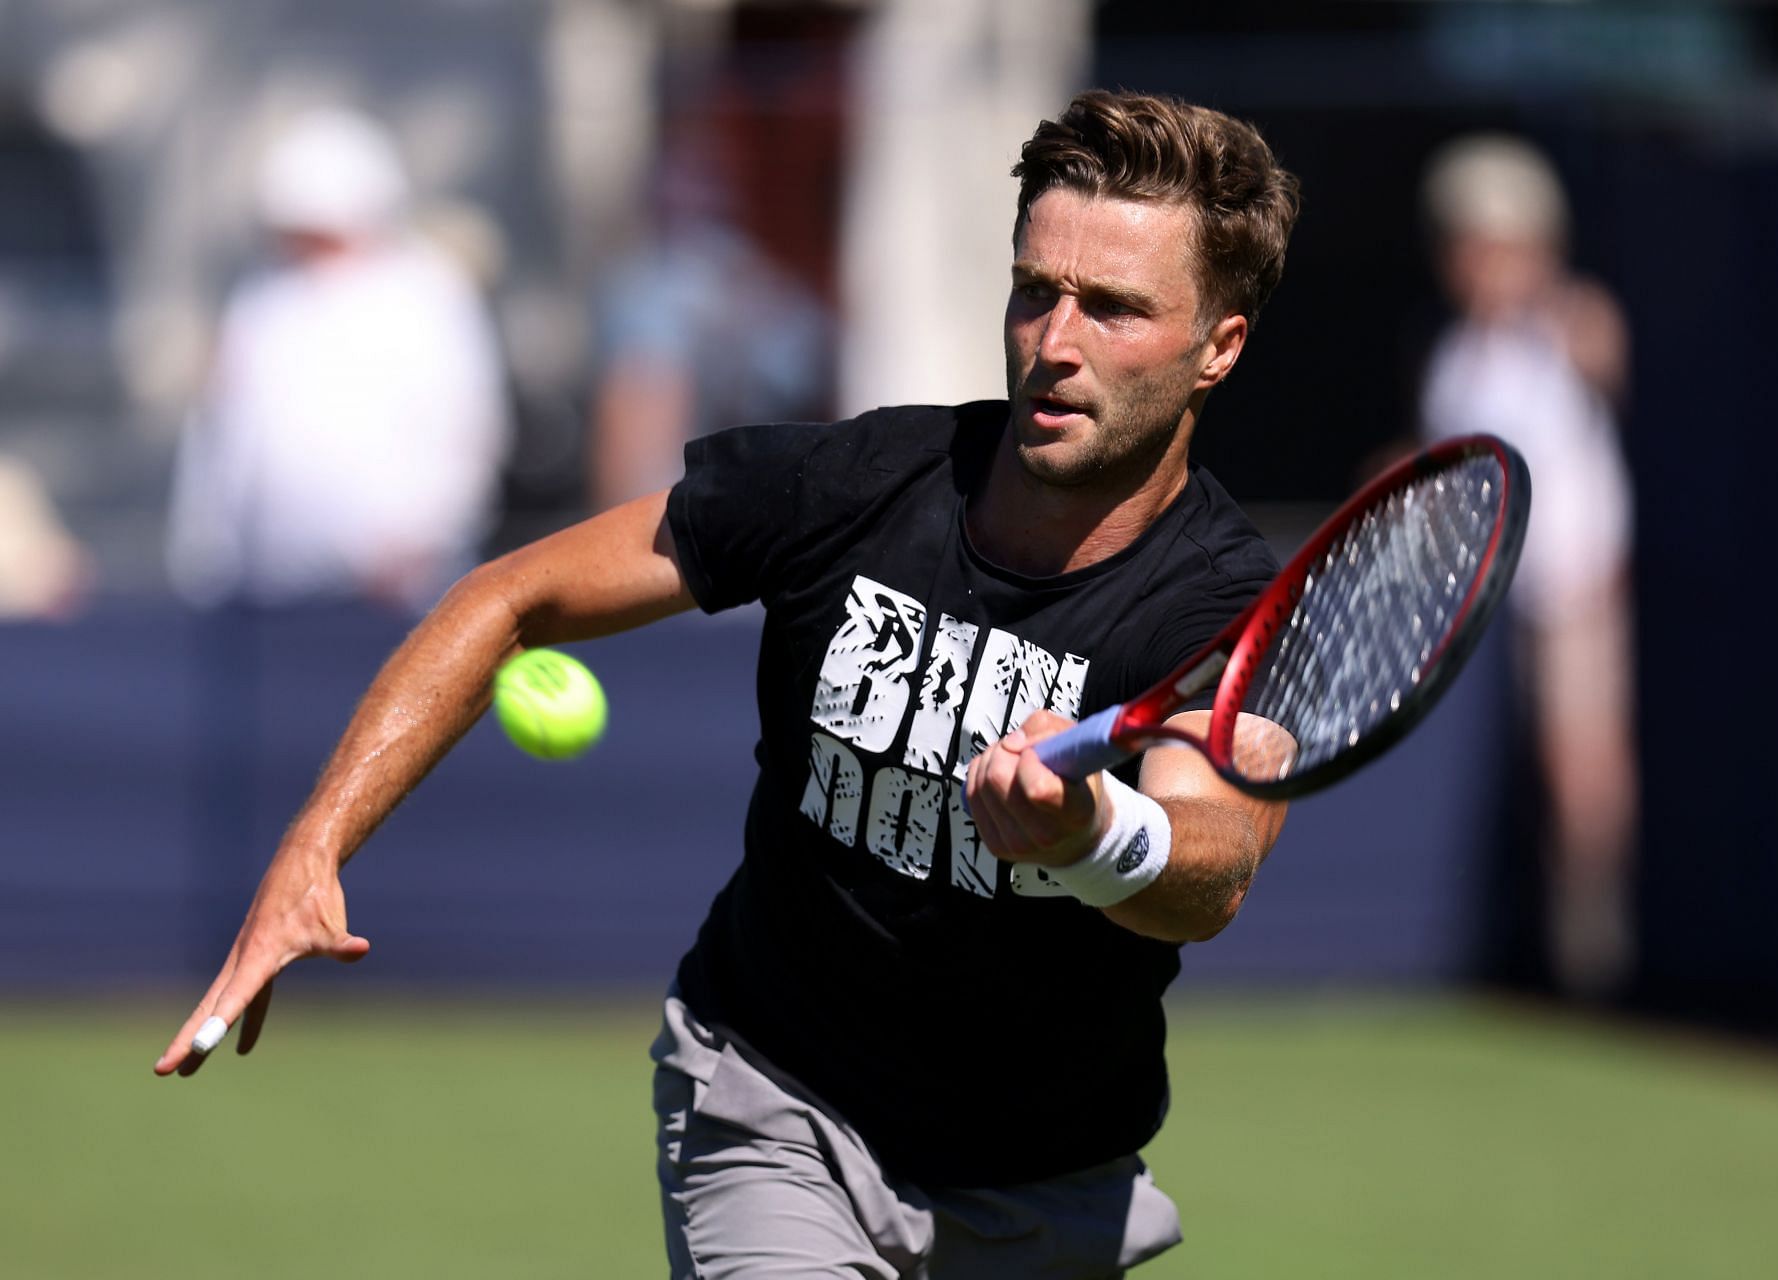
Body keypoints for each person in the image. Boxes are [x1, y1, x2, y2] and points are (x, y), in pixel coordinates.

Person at [154, 91, 1302, 1277]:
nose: (1055, 341)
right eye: (1034, 289)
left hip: (1047, 1186)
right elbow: (504, 597)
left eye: (1114, 308)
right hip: (778, 1111)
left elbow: (1213, 857)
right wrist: (315, 844)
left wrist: (1091, 828)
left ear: (1219, 344)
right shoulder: (851, 483)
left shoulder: (1225, 605)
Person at [1418, 135, 1639, 998]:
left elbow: (1605, 354)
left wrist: (1541, 296)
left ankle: (1596, 954)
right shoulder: (1451, 357)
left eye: (1482, 242)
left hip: (1573, 589)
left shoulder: (1573, 320)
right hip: (1484, 600)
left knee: (1581, 768)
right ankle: (1529, 954)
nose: (1464, 261)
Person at [166, 107, 510, 614]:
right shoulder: (261, 299)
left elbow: (467, 426)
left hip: (399, 589)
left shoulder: (428, 292)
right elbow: (222, 432)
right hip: (268, 590)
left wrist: (422, 540)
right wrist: (205, 551)